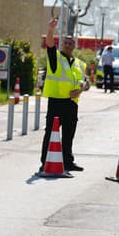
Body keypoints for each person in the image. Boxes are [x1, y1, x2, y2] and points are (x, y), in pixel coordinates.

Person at [40, 17, 89, 172]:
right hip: (56, 102)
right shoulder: (56, 58)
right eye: (65, 43)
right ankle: (45, 162)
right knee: (50, 133)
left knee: (69, 135)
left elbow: (86, 83)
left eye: (70, 43)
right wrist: (50, 30)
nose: (67, 45)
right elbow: (49, 44)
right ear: (61, 45)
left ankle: (68, 162)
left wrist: (80, 90)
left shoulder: (80, 64)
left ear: (75, 45)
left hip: (71, 103)